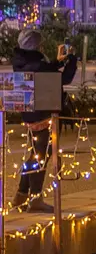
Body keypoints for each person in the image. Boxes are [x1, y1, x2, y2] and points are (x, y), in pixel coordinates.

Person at [10, 30, 77, 209]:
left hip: (30, 113)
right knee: (41, 155)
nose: (42, 47)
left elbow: (45, 71)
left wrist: (57, 62)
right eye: (39, 44)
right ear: (35, 46)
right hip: (44, 114)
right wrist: (72, 59)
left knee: (35, 153)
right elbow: (64, 78)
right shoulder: (39, 65)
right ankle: (35, 198)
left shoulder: (21, 61)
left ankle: (21, 195)